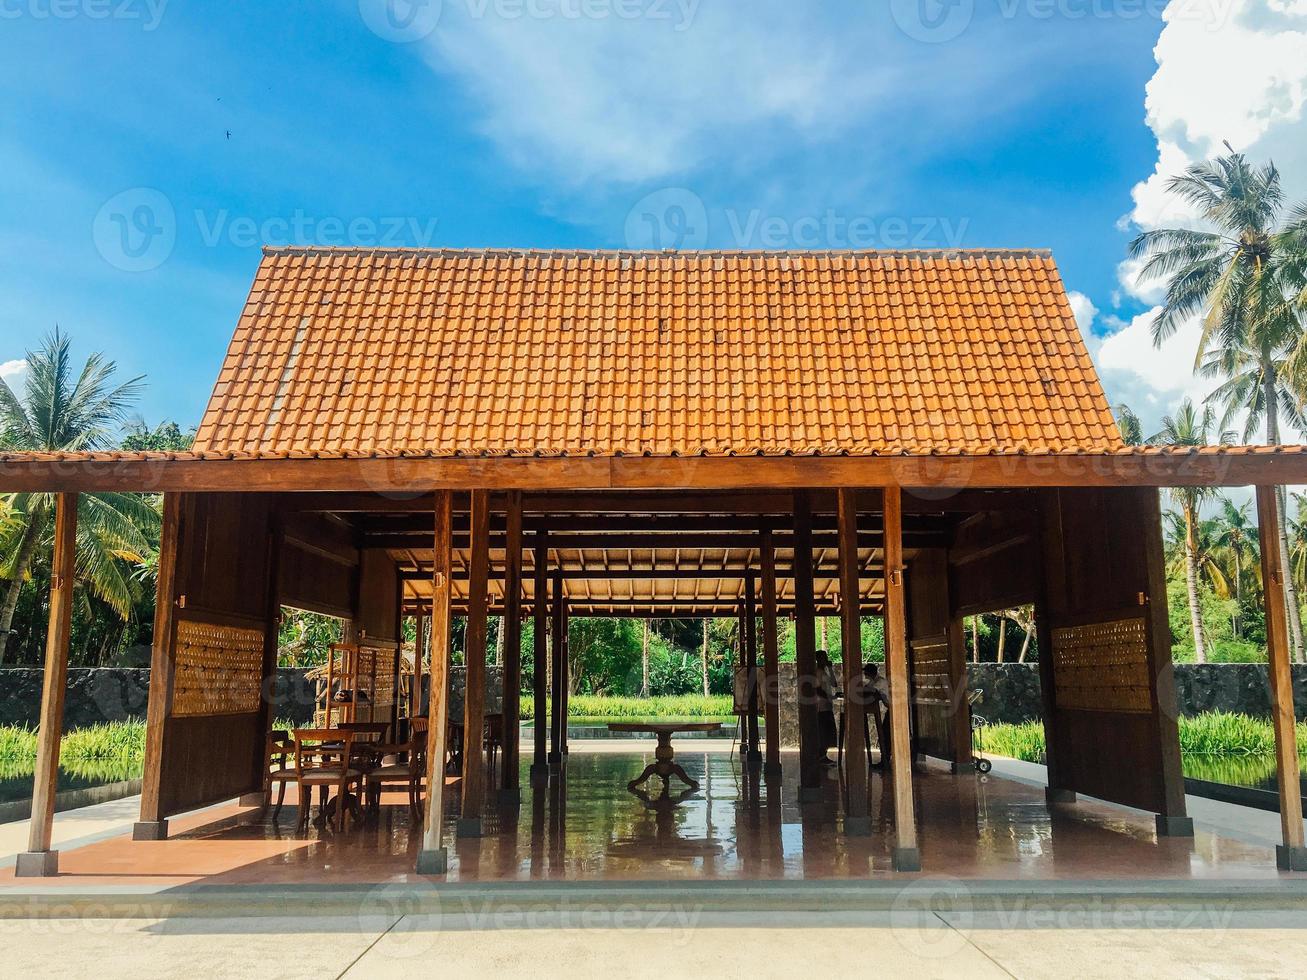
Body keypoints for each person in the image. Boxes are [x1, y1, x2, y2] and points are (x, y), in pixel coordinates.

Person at [861, 663, 891, 769]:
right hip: (890, 709)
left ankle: (885, 761)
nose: (864, 674)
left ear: (870, 673)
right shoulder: (874, 682)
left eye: (866, 672)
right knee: (885, 734)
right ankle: (885, 760)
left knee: (886, 735)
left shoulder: (880, 681)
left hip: (894, 710)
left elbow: (871, 692)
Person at [814, 650, 840, 766]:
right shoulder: (817, 672)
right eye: (823, 658)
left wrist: (830, 669)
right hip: (821, 705)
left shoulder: (825, 672)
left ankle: (824, 755)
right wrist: (829, 697)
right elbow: (817, 689)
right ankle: (820, 755)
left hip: (827, 704)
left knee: (828, 731)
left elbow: (834, 684)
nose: (825, 660)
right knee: (823, 730)